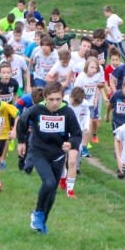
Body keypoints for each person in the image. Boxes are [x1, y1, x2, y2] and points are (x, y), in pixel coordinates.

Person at [15, 81, 83, 234]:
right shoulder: (36, 110)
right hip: (39, 152)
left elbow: (77, 134)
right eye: (51, 99)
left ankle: (42, 224)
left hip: (58, 155)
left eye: (58, 99)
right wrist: (21, 142)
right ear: (45, 97)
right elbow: (22, 121)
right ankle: (38, 213)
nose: (54, 103)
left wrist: (70, 143)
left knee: (52, 192)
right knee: (49, 182)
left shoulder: (67, 112)